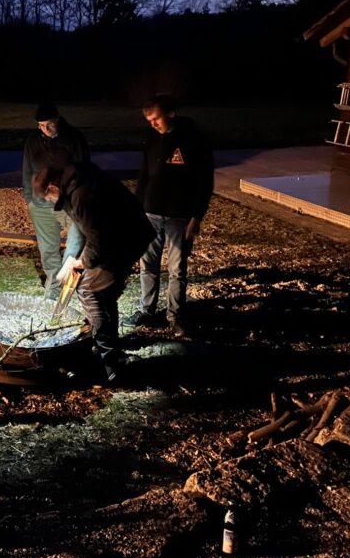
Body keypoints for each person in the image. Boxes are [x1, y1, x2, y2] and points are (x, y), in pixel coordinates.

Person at [34, 161, 154, 381]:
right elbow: (82, 229)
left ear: (53, 187)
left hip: (124, 240)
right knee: (104, 294)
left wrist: (82, 262)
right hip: (121, 237)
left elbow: (97, 241)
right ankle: (112, 352)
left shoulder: (80, 195)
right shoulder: (74, 184)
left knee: (89, 290)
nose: (49, 201)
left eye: (48, 197)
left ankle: (108, 361)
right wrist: (70, 260)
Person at [126, 94, 214, 338]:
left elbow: (205, 182)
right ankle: (147, 310)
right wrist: (137, 208)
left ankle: (175, 316)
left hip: (180, 216)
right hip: (150, 212)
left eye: (156, 119)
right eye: (148, 120)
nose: (152, 124)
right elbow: (144, 175)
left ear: (171, 113)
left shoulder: (195, 140)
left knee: (177, 269)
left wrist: (196, 217)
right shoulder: (151, 137)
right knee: (148, 266)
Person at [22, 100, 90, 300]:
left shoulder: (74, 139)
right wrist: (30, 198)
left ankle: (71, 285)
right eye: (41, 125)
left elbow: (84, 170)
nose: (46, 129)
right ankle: (53, 289)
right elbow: (27, 170)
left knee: (77, 243)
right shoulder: (33, 141)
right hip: (41, 204)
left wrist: (72, 196)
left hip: (68, 204)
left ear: (57, 120)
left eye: (49, 124)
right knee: (48, 249)